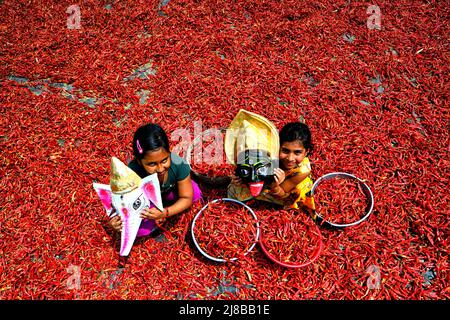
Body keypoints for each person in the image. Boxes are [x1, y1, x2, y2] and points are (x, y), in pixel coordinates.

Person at [109, 123, 202, 235]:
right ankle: (162, 210)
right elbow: (122, 202)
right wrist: (115, 220)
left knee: (195, 193)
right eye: (152, 164)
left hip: (169, 193)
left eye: (164, 160)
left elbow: (187, 197)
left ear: (169, 153)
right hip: (146, 201)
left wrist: (165, 213)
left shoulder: (178, 164)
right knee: (140, 231)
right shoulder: (131, 173)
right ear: (139, 161)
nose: (160, 169)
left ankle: (166, 208)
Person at [229, 121, 315, 211]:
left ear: (306, 152)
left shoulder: (302, 171)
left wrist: (275, 186)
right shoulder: (270, 153)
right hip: (270, 182)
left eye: (297, 152)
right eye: (285, 151)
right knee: (237, 186)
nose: (290, 158)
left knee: (292, 197)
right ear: (277, 146)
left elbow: (283, 193)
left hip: (285, 190)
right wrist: (241, 178)